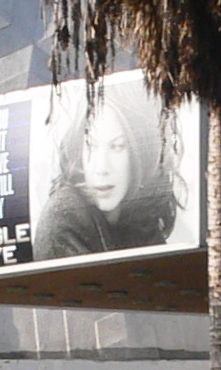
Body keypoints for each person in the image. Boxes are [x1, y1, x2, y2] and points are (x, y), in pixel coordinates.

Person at [37, 84, 182, 258]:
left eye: (117, 147)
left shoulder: (135, 215)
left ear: (142, 154)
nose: (101, 168)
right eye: (91, 145)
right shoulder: (64, 216)